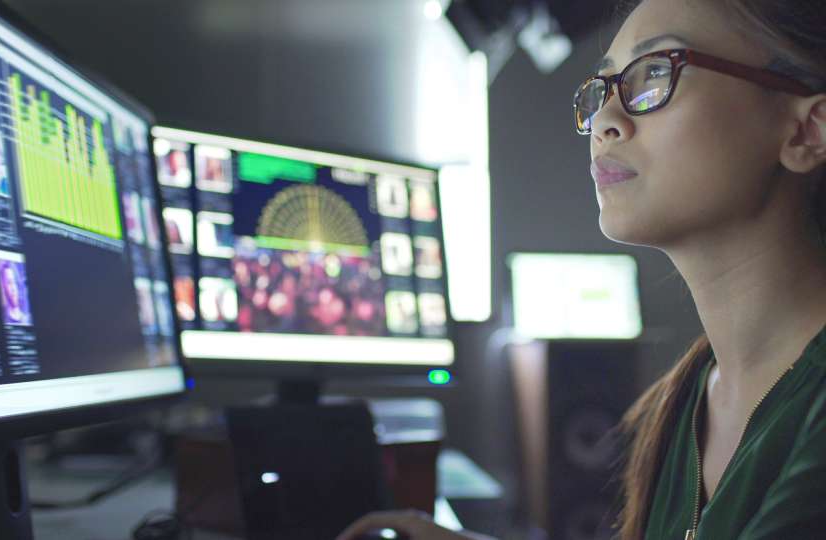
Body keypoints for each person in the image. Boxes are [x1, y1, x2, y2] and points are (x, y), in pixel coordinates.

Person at [339, 0, 826, 538]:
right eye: (601, 91)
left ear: (807, 131)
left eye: (654, 74)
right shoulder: (688, 397)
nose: (604, 122)